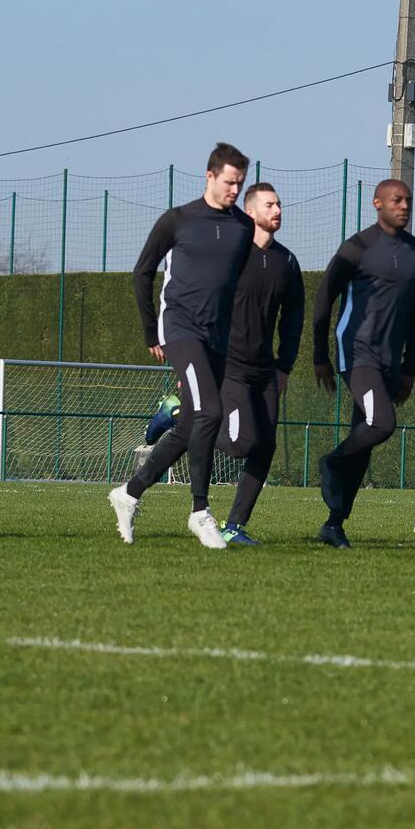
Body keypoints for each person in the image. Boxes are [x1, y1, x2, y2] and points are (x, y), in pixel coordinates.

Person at [107, 142, 253, 548]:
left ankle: (130, 493)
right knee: (210, 410)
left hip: (217, 338)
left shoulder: (242, 227)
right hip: (180, 329)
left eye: (240, 184)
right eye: (228, 182)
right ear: (209, 176)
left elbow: (232, 286)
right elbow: (142, 273)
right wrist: (151, 332)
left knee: (192, 425)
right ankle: (201, 512)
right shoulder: (178, 220)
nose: (234, 191)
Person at [311, 179, 415, 549]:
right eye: (396, 200)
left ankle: (334, 524)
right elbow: (324, 297)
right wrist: (320, 356)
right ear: (377, 203)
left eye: (408, 200)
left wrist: (409, 367)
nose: (404, 206)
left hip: (391, 361)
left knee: (364, 441)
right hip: (356, 353)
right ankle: (331, 462)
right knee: (382, 422)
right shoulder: (357, 247)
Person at [209, 182, 305, 546]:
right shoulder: (231, 254)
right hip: (228, 365)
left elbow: (293, 319)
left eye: (280, 204)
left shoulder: (287, 261)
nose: (277, 210)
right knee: (240, 443)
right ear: (250, 213)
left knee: (265, 447)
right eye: (270, 205)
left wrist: (284, 366)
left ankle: (234, 526)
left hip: (266, 371)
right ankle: (178, 416)